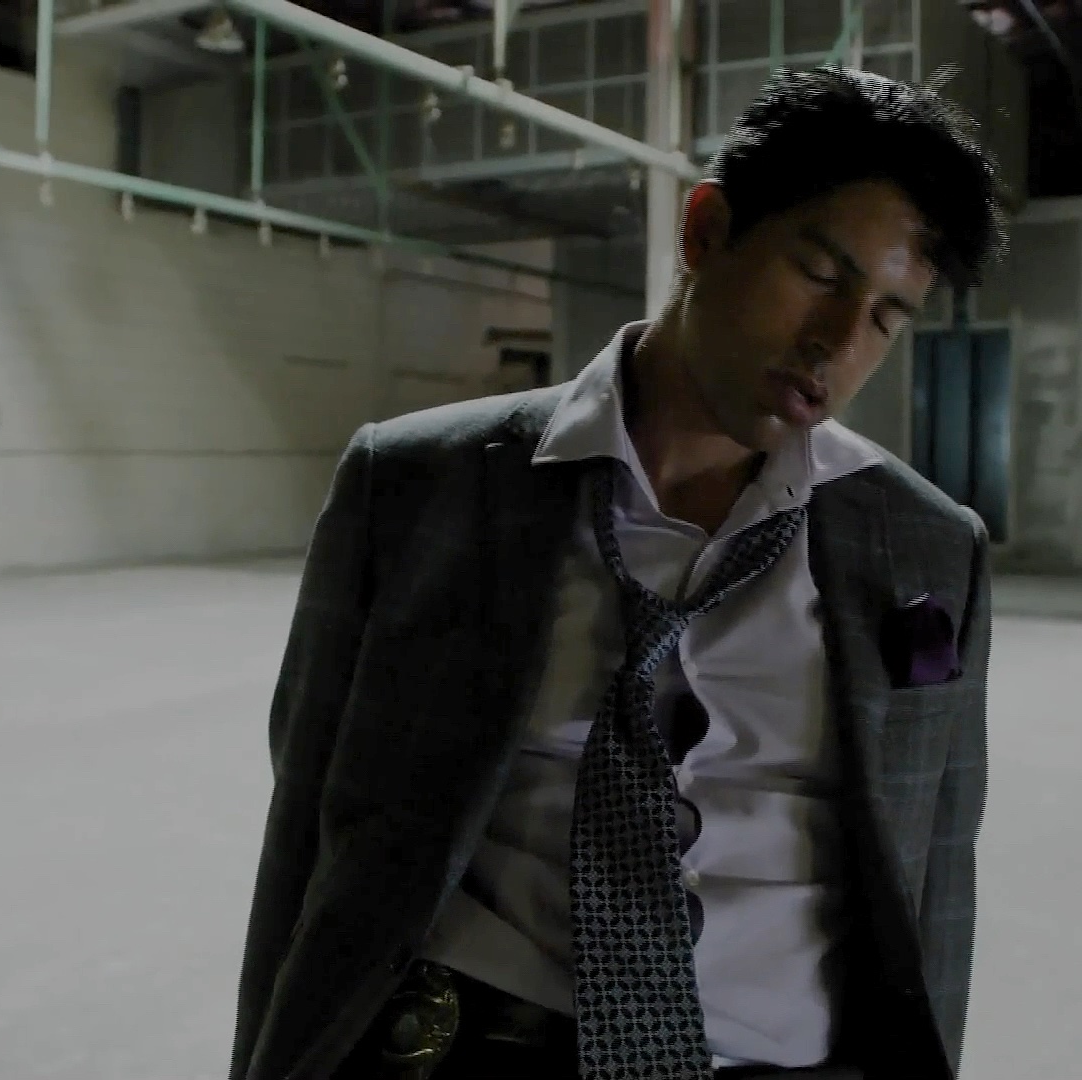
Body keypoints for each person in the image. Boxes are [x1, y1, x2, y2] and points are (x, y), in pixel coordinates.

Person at [229, 65, 1008, 1080]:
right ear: (707, 230)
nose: (838, 342)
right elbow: (307, 840)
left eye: (887, 318)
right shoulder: (418, 483)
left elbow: (933, 892)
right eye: (820, 273)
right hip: (464, 1048)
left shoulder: (926, 546)